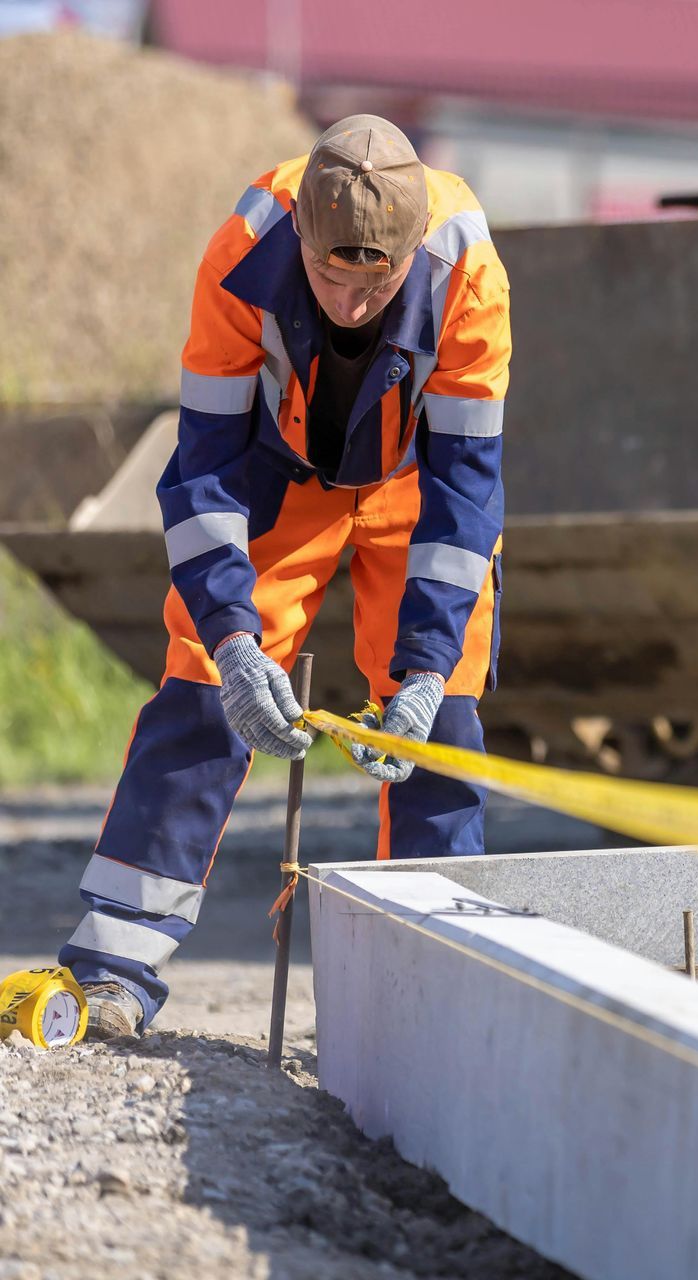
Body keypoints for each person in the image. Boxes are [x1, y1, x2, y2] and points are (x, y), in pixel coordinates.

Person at [64, 115, 511, 1039]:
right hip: (278, 475)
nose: (350, 304)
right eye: (329, 279)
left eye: (374, 283)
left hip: (411, 482)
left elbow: (468, 491)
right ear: (301, 239)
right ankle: (114, 969)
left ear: (411, 251)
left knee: (445, 729)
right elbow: (203, 470)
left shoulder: (469, 273)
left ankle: (427, 1010)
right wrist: (231, 638)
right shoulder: (241, 254)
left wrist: (426, 666)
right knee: (200, 696)